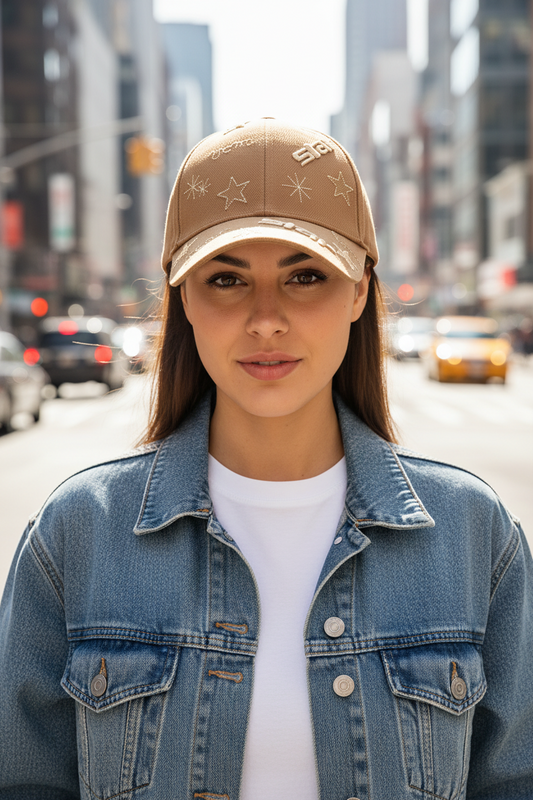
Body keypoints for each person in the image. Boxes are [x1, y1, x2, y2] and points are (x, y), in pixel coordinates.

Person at [1, 117, 532, 800]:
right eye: (225, 279)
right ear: (183, 297)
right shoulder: (78, 532)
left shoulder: (470, 533)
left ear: (360, 290)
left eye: (304, 275)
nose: (265, 319)